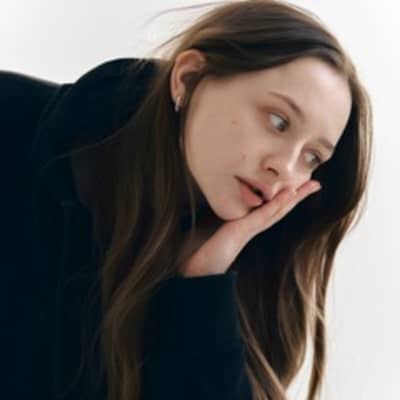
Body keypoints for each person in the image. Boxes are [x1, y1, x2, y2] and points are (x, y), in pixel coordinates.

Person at [1, 1, 373, 399]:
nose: (285, 167)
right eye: (278, 121)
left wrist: (201, 289)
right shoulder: (12, 122)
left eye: (312, 158)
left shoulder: (243, 275)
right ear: (189, 77)